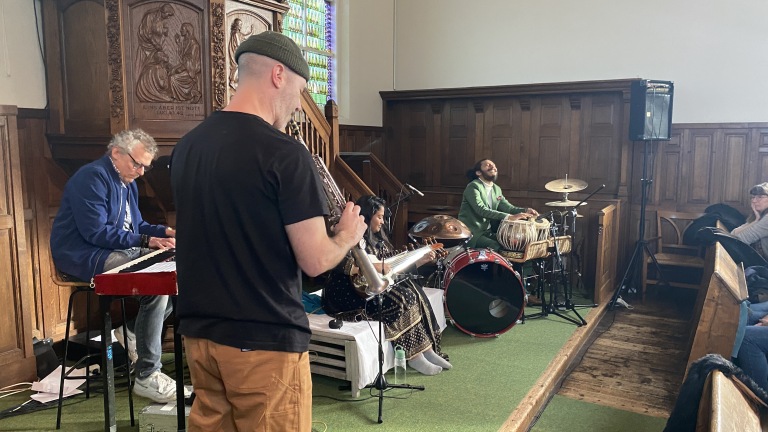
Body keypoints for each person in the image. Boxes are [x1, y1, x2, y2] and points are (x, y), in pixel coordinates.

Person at [169, 31, 367, 431]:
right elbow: (314, 260)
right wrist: (346, 236)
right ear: (279, 74)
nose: (298, 105)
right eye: (299, 91)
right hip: (265, 338)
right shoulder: (284, 153)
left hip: (201, 337)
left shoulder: (188, 147)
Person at [49, 129, 183, 404]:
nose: (142, 172)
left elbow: (135, 226)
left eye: (146, 166)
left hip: (111, 248)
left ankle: (131, 332)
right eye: (137, 164)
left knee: (176, 275)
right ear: (116, 154)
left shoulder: (128, 181)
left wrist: (165, 231)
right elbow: (96, 233)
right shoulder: (92, 177)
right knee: (154, 284)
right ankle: (147, 375)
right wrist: (147, 240)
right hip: (84, 255)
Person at [321, 195, 452, 376]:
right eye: (379, 217)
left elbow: (391, 271)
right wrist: (372, 266)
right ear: (367, 216)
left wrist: (421, 260)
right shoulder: (345, 235)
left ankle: (426, 350)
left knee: (409, 293)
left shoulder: (377, 241)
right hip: (345, 294)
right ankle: (413, 357)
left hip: (365, 289)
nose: (383, 222)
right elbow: (337, 263)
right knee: (399, 299)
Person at [458, 159, 538, 251]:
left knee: (515, 243)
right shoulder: (473, 186)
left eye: (494, 165)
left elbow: (509, 208)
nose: (493, 167)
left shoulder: (496, 189)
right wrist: (508, 217)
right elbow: (481, 209)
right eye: (488, 165)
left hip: (488, 232)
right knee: (496, 246)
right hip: (472, 233)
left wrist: (525, 211)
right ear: (478, 172)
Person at [730, 182, 768, 260]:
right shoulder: (761, 216)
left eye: (760, 197)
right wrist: (755, 221)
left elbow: (739, 240)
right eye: (753, 197)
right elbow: (733, 234)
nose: (754, 201)